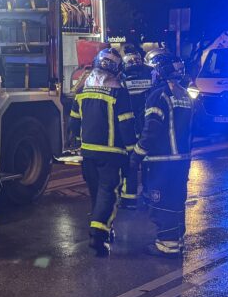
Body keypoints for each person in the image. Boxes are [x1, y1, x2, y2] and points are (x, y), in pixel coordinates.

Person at [69, 48, 137, 256]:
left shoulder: (83, 87)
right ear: (117, 67)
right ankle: (98, 235)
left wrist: (80, 142)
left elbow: (74, 121)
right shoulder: (118, 89)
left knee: (96, 193)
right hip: (112, 153)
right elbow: (126, 124)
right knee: (108, 193)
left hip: (88, 153)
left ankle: (104, 228)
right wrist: (132, 150)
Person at [131, 49, 194, 257]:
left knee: (161, 202)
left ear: (158, 71)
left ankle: (166, 246)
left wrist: (136, 155)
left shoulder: (158, 95)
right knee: (176, 201)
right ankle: (176, 241)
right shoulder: (184, 93)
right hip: (182, 160)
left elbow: (152, 129)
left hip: (161, 161)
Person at [120, 49, 153, 209]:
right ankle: (148, 194)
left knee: (131, 162)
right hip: (146, 125)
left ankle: (129, 199)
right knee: (147, 162)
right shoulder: (149, 74)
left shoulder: (123, 78)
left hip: (130, 126)